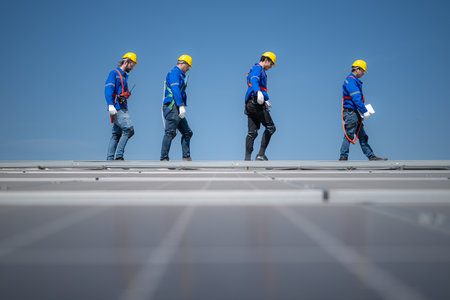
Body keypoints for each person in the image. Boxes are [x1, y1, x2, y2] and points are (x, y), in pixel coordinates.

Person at [339, 60, 387, 161]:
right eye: (363, 71)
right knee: (349, 135)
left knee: (362, 136)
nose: (363, 73)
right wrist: (364, 110)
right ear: (358, 69)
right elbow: (356, 98)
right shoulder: (351, 81)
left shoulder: (352, 81)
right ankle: (343, 158)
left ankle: (371, 156)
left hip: (355, 113)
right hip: (352, 113)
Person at [160, 55, 193, 161]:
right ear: (183, 64)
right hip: (173, 106)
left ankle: (186, 159)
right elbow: (175, 89)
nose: (188, 69)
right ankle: (164, 159)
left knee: (187, 132)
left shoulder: (180, 75)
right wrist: (180, 105)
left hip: (177, 107)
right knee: (170, 132)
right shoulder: (175, 73)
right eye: (188, 66)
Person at [244, 52, 277, 161]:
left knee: (252, 133)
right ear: (266, 60)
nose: (271, 67)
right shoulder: (258, 68)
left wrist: (265, 99)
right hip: (256, 102)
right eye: (271, 64)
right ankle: (261, 155)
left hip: (250, 103)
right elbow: (254, 79)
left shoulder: (255, 68)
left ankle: (247, 160)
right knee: (270, 127)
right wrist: (258, 92)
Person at [105, 52, 137, 160]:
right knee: (128, 129)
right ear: (127, 62)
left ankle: (109, 160)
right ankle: (119, 156)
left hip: (121, 106)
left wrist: (126, 94)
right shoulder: (114, 73)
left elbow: (121, 91)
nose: (132, 68)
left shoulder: (124, 77)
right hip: (117, 107)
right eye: (132, 65)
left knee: (116, 134)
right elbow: (108, 89)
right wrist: (110, 104)